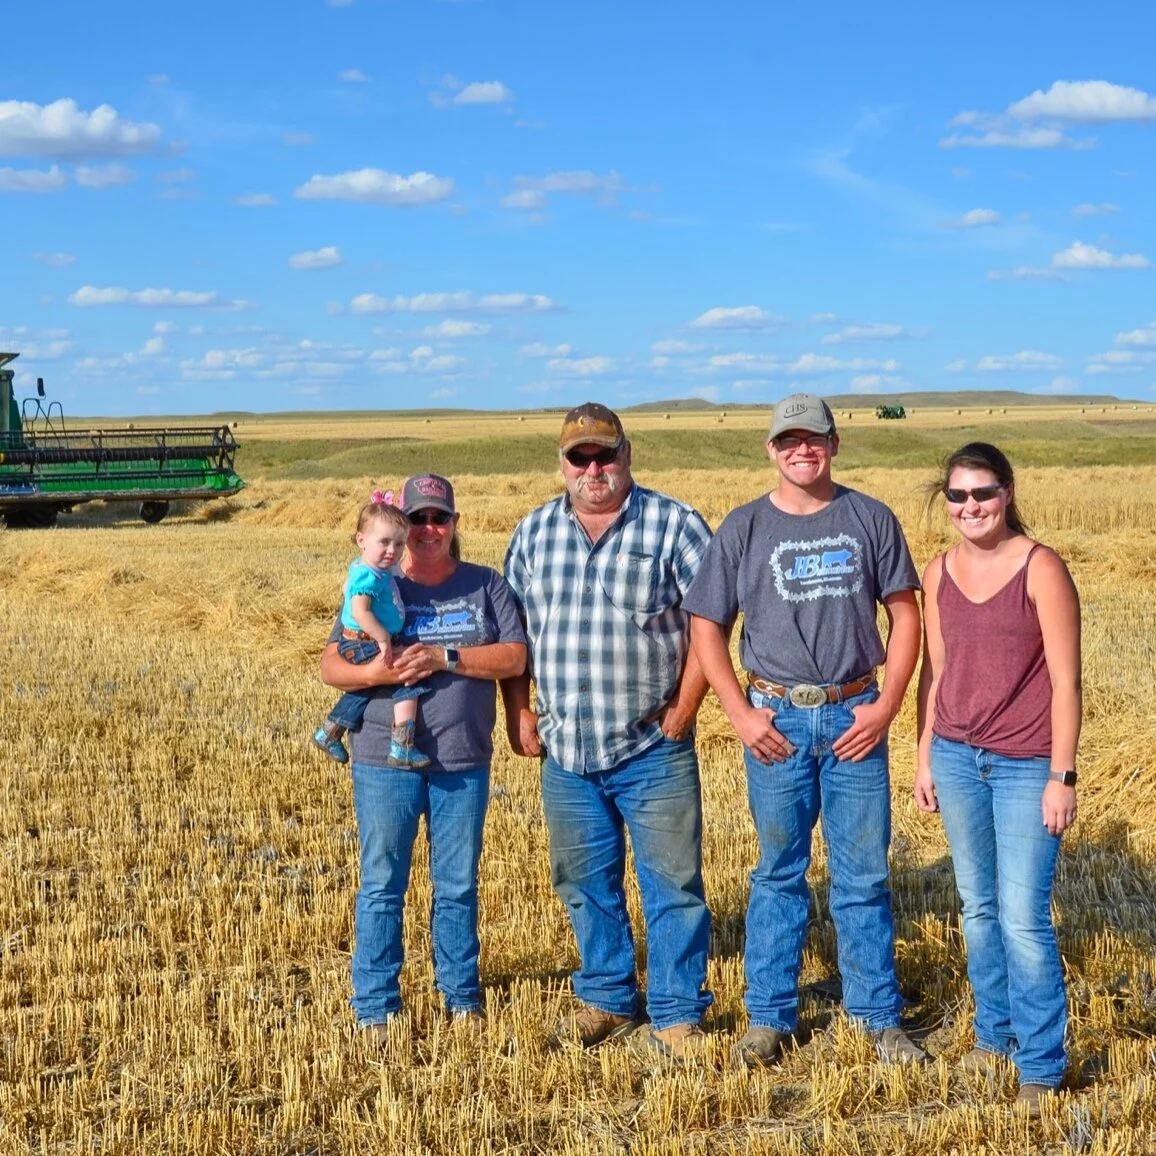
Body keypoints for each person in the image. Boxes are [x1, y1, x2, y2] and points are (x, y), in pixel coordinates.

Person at [683, 392, 926, 1067]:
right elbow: (706, 625)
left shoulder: (870, 517)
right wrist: (739, 712)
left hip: (855, 716)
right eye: (789, 440)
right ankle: (769, 1016)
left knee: (863, 875)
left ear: (834, 444)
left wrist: (886, 707)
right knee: (778, 873)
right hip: (777, 720)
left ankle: (877, 1016)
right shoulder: (744, 527)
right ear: (771, 449)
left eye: (813, 438)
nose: (802, 450)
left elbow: (906, 616)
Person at [501, 402, 715, 1061]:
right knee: (584, 882)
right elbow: (513, 634)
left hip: (653, 746)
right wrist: (519, 709)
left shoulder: (675, 524)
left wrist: (684, 708)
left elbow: (710, 624)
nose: (593, 469)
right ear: (562, 464)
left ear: (627, 454)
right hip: (566, 749)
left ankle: (677, 1012)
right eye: (580, 458)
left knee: (673, 885)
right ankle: (609, 997)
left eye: (605, 455)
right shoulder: (533, 533)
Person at [320, 473, 527, 1037]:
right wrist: (376, 671)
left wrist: (443, 657)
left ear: (455, 524)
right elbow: (331, 666)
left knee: (457, 884)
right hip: (382, 761)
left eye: (440, 518)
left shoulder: (487, 585)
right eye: (418, 519)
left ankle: (461, 997)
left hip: (463, 757)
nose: (429, 529)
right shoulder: (380, 582)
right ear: (401, 525)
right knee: (383, 884)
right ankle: (375, 1007)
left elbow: (514, 657)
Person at [914, 442, 1080, 1116]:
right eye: (958, 495)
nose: (970, 506)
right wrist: (924, 755)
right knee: (977, 909)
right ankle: (994, 1036)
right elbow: (935, 670)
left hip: (1025, 764)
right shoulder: (938, 572)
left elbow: (1067, 683)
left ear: (1007, 493)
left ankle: (1040, 1065)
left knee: (1023, 919)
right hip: (957, 758)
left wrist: (1062, 775)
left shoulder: (1042, 568)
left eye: (983, 492)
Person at [312, 491, 432, 769]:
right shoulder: (368, 574)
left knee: (367, 688)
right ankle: (402, 746)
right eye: (384, 542)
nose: (392, 550)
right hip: (365, 641)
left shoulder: (371, 569)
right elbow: (360, 612)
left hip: (363, 641)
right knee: (407, 678)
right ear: (361, 540)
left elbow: (349, 587)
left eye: (399, 544)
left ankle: (330, 731)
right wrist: (384, 639)